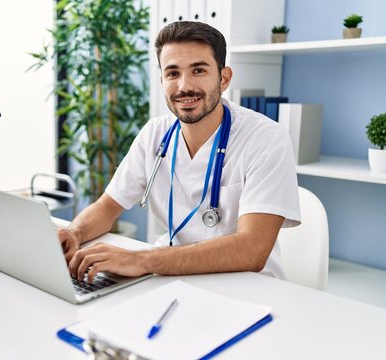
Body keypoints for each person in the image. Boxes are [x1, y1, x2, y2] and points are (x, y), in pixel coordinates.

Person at [58, 21, 300, 283]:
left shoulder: (266, 138)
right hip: (173, 275)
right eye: (173, 73)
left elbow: (251, 250)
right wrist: (73, 233)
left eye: (198, 70)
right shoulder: (155, 134)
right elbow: (107, 207)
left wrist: (139, 260)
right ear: (162, 80)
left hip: (248, 286)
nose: (184, 86)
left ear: (224, 77)